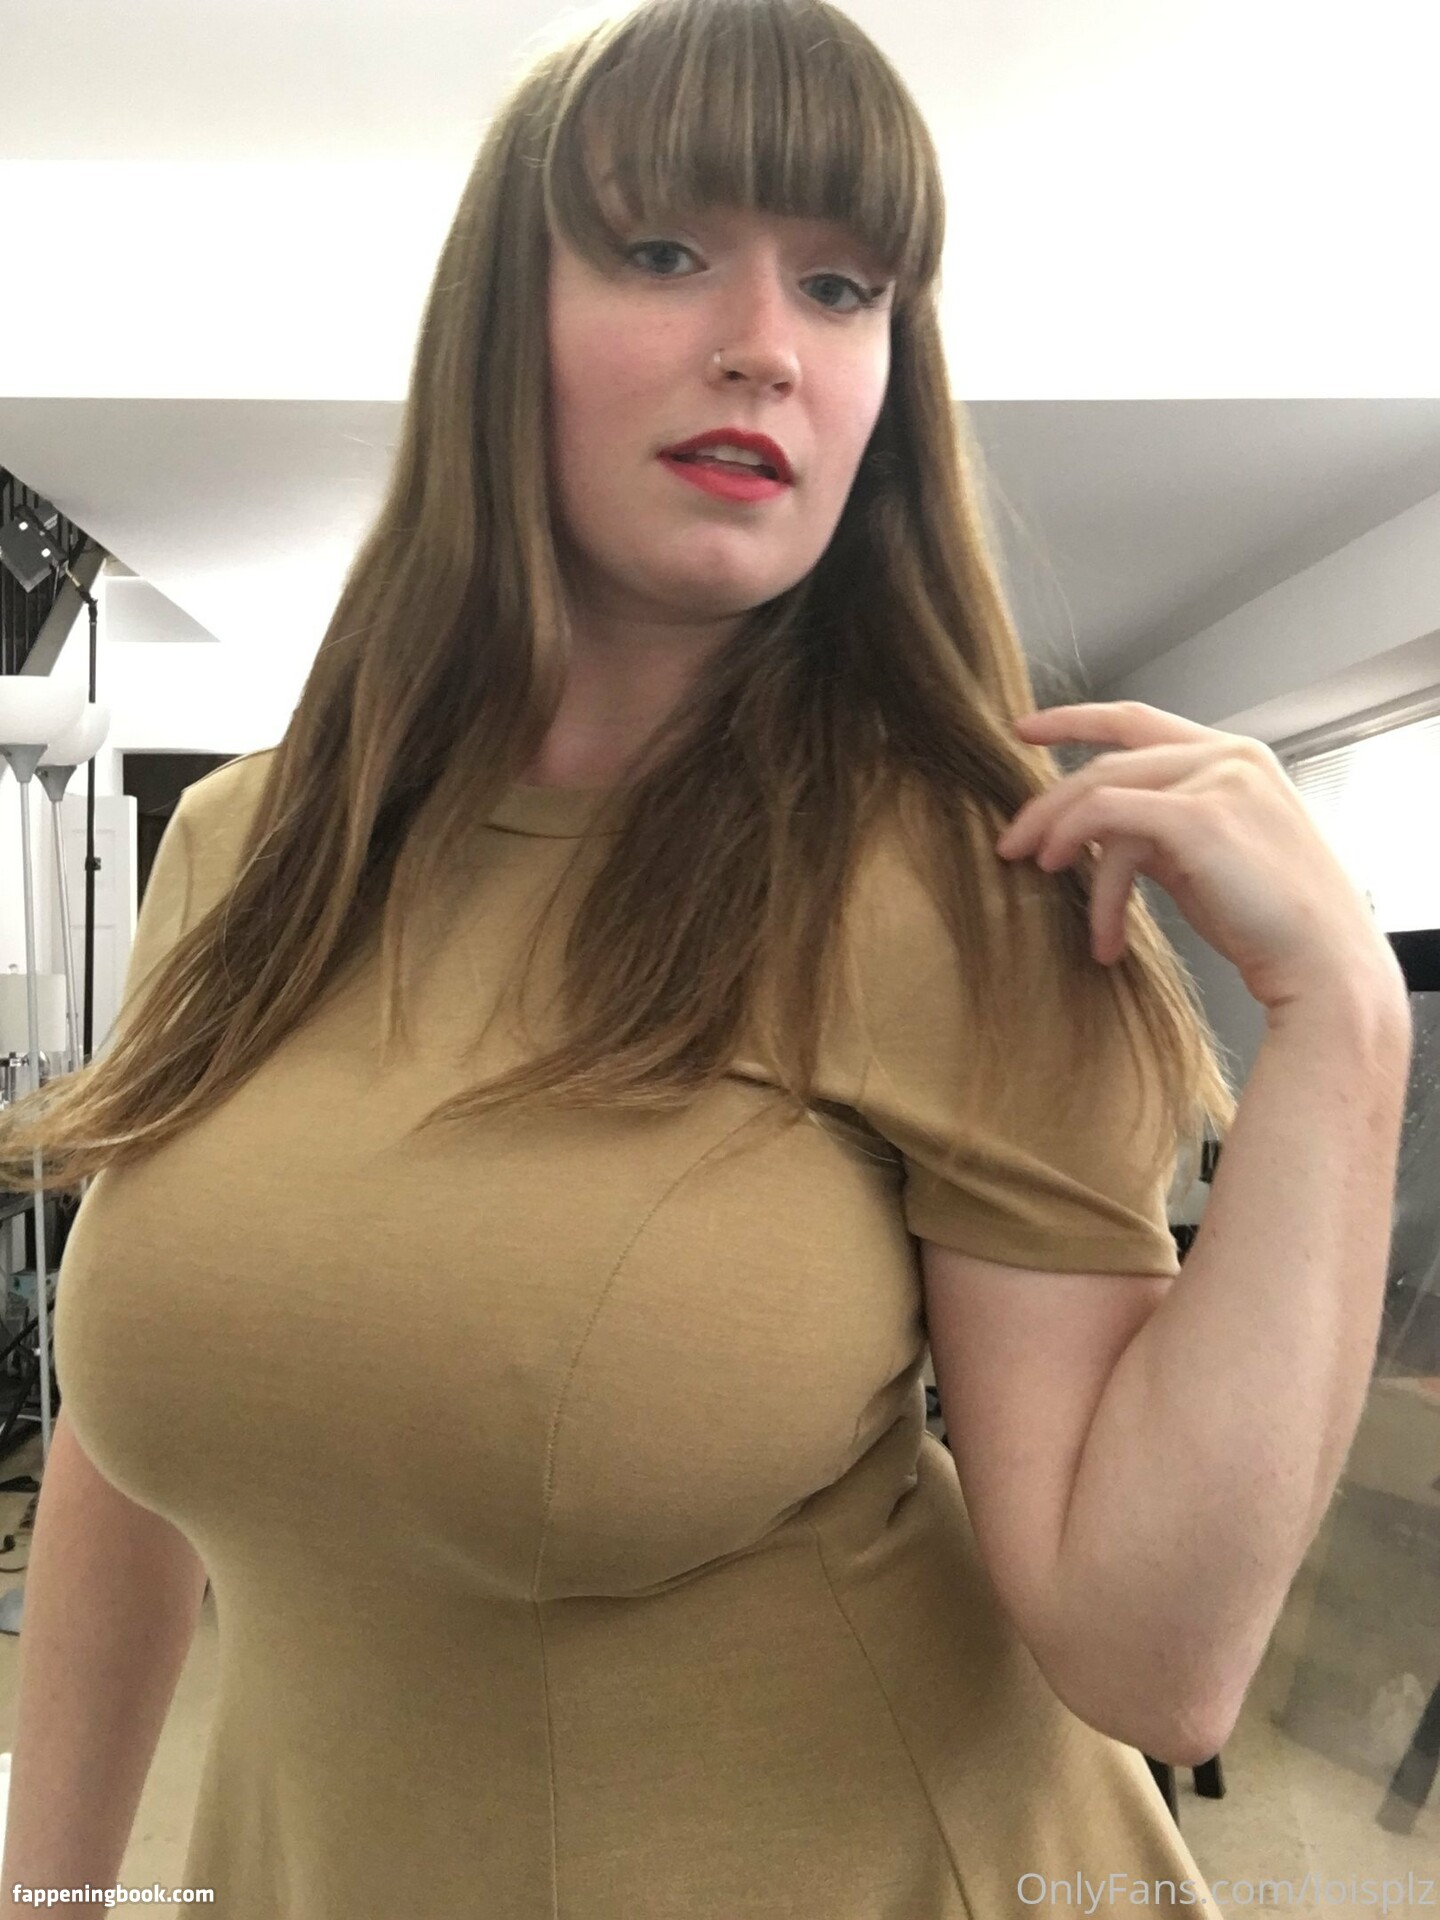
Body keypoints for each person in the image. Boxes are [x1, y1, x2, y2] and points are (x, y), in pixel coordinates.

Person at [1, 0, 1246, 1912]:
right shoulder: (248, 850)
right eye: (664, 250)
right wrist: (57, 1890)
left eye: (841, 288)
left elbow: (1154, 1660)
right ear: (499, 327)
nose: (764, 343)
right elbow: (129, 1445)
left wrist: (1349, 1041)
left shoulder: (955, 874)